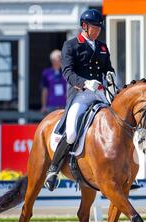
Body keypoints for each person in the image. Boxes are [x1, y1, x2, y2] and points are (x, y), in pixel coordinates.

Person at [44, 8, 116, 191]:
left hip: (99, 94)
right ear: (84, 26)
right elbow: (67, 72)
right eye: (94, 27)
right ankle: (53, 170)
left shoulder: (102, 47)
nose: (98, 30)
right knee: (72, 132)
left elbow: (108, 68)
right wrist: (84, 83)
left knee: (117, 125)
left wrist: (110, 77)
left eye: (100, 27)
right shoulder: (71, 45)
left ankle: (123, 171)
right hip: (81, 95)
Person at [40, 50, 67, 114]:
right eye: (59, 58)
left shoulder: (66, 72)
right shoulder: (46, 73)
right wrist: (43, 105)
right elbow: (44, 90)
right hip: (51, 105)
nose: (61, 60)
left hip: (64, 105)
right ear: (53, 61)